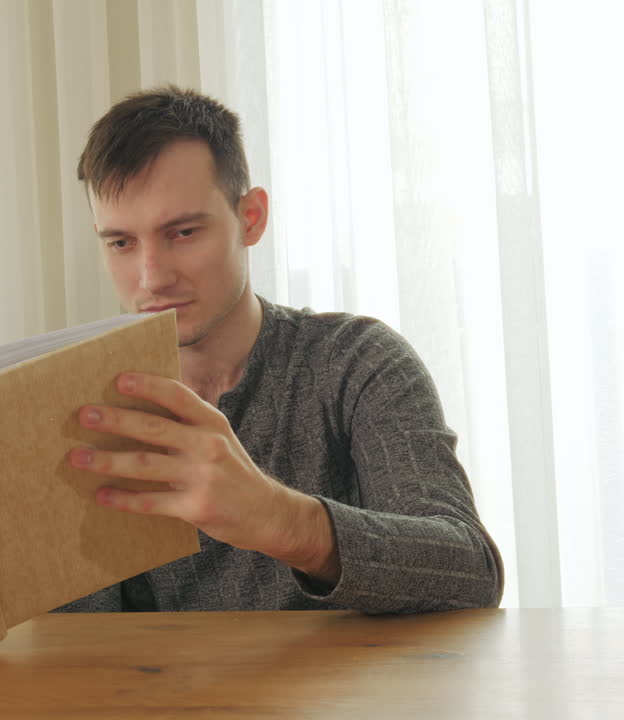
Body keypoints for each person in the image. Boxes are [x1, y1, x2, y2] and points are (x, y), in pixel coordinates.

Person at [59, 86, 503, 613]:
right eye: (120, 243)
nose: (151, 277)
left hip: (346, 696)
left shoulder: (356, 362)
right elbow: (72, 641)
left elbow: (471, 571)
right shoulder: (86, 406)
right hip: (152, 694)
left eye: (181, 232)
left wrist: (280, 520)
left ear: (251, 218)